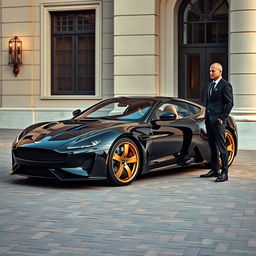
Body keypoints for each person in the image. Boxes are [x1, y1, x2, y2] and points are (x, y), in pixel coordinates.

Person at [200, 63, 234, 182]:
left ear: (220, 72)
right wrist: (206, 117)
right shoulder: (209, 86)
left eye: (213, 71)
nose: (210, 73)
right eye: (210, 71)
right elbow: (208, 103)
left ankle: (224, 173)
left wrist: (222, 118)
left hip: (219, 121)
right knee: (212, 146)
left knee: (221, 147)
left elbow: (229, 103)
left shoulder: (226, 85)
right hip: (209, 120)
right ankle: (215, 170)